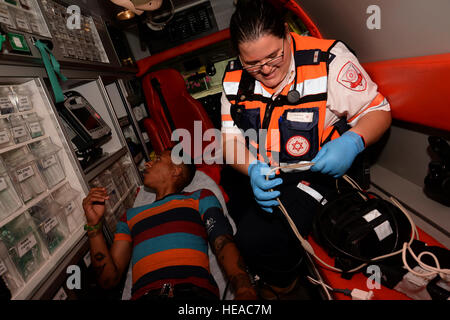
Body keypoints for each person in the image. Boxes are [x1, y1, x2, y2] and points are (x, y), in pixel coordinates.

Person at [220, 0, 392, 297]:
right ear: (238, 55)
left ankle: (286, 286)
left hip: (316, 169)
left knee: (256, 238)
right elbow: (231, 140)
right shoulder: (234, 79)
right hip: (265, 167)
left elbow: (378, 111)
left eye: (274, 56)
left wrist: (351, 142)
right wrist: (251, 170)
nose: (266, 70)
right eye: (253, 64)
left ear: (287, 33)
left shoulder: (329, 60)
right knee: (233, 200)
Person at [82, 150, 258, 300]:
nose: (148, 164)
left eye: (157, 159)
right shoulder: (129, 217)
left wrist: (244, 289)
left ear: (176, 170)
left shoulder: (200, 198)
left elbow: (223, 243)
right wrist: (94, 227)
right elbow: (108, 280)